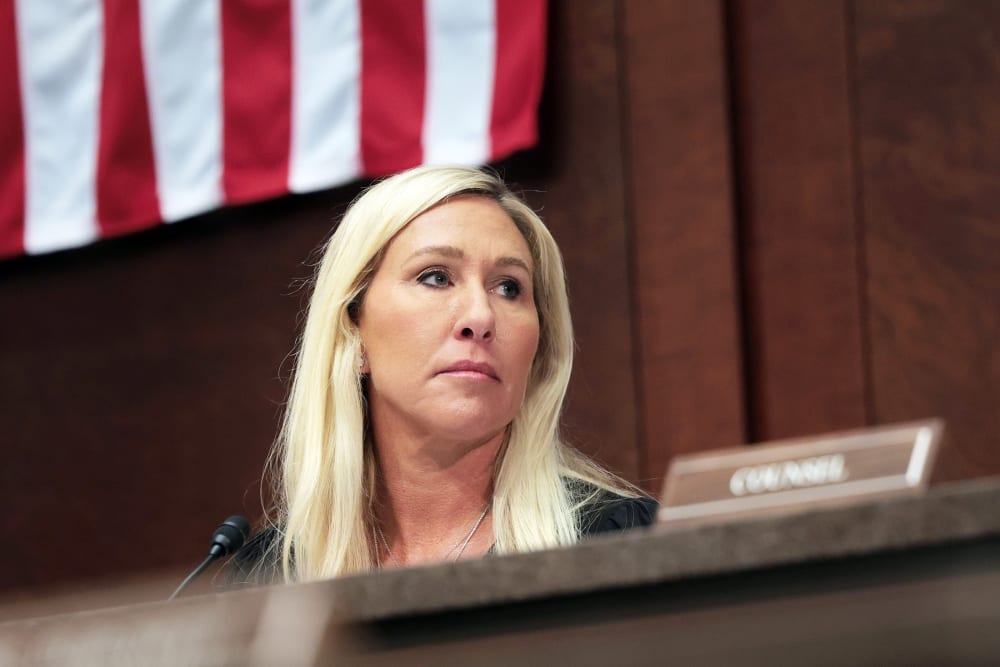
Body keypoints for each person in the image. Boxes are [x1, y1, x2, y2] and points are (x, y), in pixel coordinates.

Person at [232, 165, 656, 585]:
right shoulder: (266, 580)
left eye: (508, 287)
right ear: (353, 332)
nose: (480, 316)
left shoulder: (627, 543)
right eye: (436, 277)